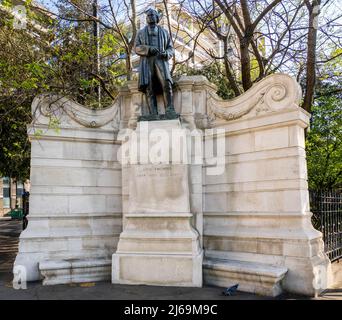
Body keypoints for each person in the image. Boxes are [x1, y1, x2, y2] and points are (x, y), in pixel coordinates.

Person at [134, 8, 178, 119]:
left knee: (166, 83)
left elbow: (171, 48)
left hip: (161, 61)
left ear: (157, 17)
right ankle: (153, 113)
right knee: (149, 87)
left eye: (152, 15)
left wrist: (166, 53)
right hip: (147, 62)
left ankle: (170, 110)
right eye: (148, 15)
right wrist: (148, 49)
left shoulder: (164, 32)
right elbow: (136, 48)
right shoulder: (141, 33)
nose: (150, 17)